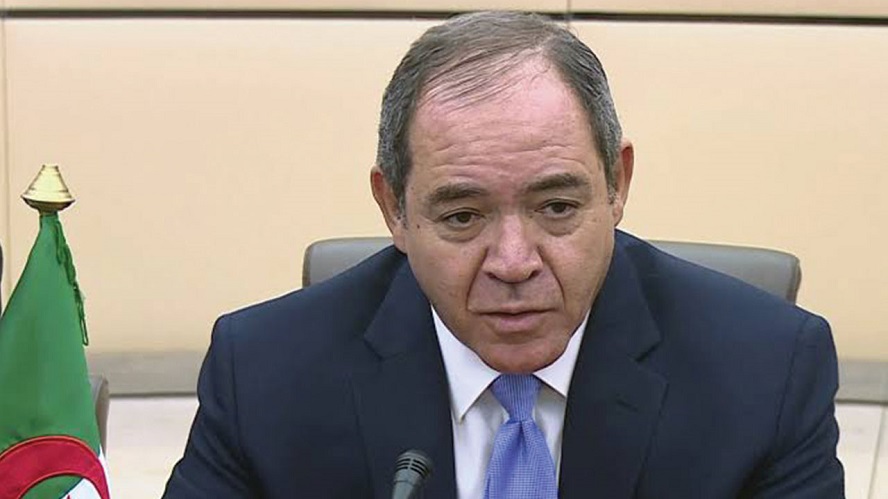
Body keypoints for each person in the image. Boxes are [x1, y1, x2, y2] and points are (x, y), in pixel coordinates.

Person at [163, 11, 843, 498]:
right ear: (394, 209)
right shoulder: (263, 375)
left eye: (557, 208)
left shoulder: (766, 373)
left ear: (617, 183)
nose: (514, 263)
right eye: (463, 217)